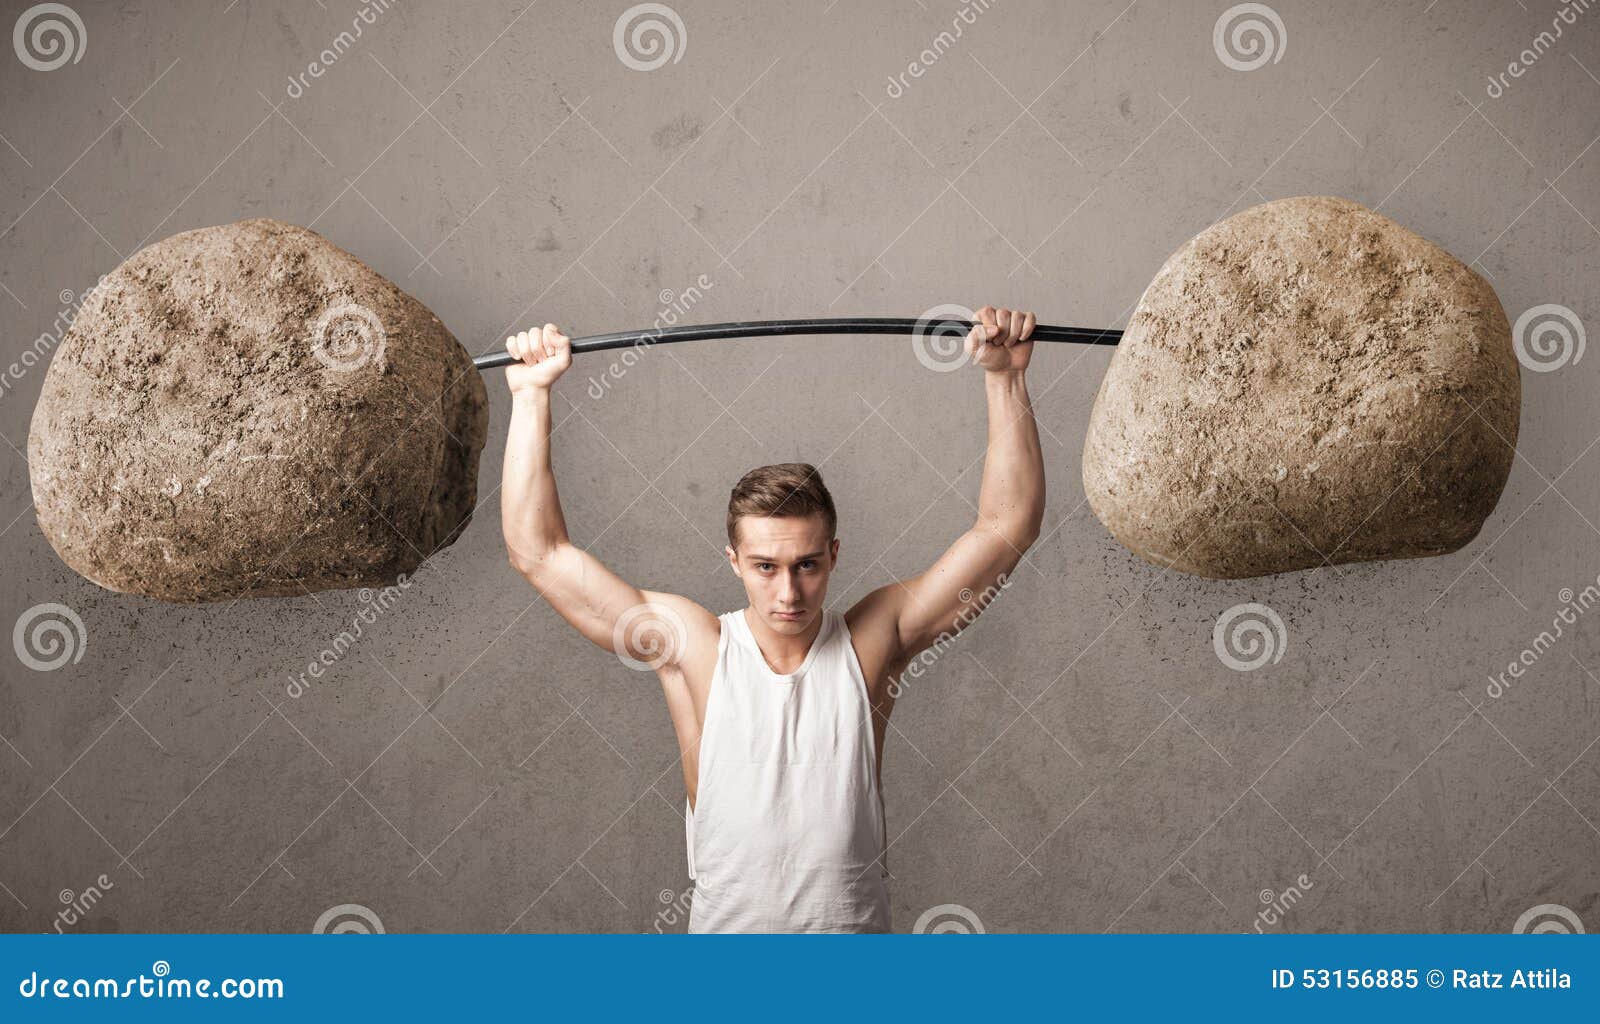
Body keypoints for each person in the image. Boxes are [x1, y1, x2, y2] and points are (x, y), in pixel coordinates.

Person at [499, 306, 1044, 932]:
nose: (788, 592)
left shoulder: (872, 640)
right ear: (733, 560)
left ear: (834, 554)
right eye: (764, 567)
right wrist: (531, 397)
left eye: (807, 564)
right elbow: (536, 551)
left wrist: (1004, 380)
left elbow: (1008, 527)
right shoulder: (693, 648)